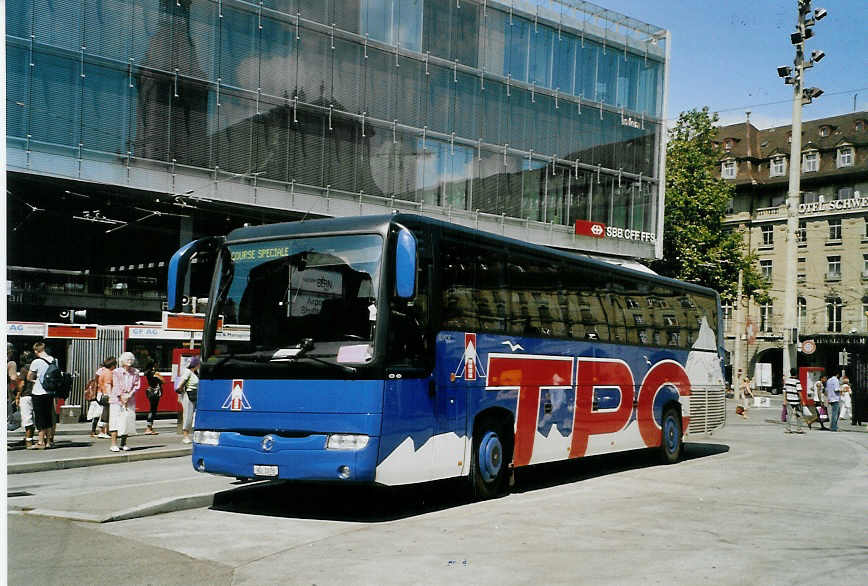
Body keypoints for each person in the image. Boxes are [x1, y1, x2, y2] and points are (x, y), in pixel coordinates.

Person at [27, 341, 57, 449]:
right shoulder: (53, 360)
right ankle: (48, 441)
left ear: (36, 351)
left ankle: (40, 442)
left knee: (40, 417)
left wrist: (35, 380)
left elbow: (29, 377)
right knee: (48, 416)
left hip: (38, 392)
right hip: (49, 392)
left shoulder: (36, 361)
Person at [109, 352, 140, 451]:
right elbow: (116, 386)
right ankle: (113, 444)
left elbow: (136, 385)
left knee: (127, 421)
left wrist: (129, 395)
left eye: (131, 359)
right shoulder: (116, 372)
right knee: (115, 421)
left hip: (129, 399)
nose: (130, 361)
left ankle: (123, 443)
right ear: (122, 361)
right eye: (127, 359)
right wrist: (122, 397)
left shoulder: (135, 372)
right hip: (116, 400)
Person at [88, 357, 116, 438]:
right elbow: (107, 385)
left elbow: (98, 382)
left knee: (103, 413)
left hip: (101, 393)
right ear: (112, 365)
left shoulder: (102, 372)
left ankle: (103, 431)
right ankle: (102, 432)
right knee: (105, 413)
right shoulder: (108, 373)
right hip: (105, 394)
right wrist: (110, 395)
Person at [176, 356, 200, 444]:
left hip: (195, 395)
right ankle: (185, 436)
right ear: (195, 364)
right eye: (198, 364)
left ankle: (194, 434)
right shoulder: (188, 372)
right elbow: (181, 384)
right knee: (188, 416)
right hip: (188, 396)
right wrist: (180, 391)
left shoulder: (196, 373)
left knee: (195, 415)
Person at [16, 351, 36, 446]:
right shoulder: (36, 369)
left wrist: (17, 395)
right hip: (36, 395)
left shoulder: (24, 369)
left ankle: (28, 441)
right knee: (34, 418)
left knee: (27, 418)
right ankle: (29, 438)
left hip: (26, 395)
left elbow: (22, 384)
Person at [143, 359, 163, 435]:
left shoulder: (147, 372)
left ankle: (150, 427)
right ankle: (148, 428)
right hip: (154, 393)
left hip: (149, 391)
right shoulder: (155, 373)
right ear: (154, 365)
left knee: (152, 409)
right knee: (153, 410)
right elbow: (163, 381)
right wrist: (158, 375)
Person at [783, 368, 805, 434]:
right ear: (796, 374)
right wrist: (802, 401)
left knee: (789, 415)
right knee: (799, 415)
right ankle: (799, 429)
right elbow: (799, 392)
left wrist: (785, 400)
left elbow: (784, 391)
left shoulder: (787, 381)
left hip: (789, 400)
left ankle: (788, 429)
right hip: (796, 401)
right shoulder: (797, 381)